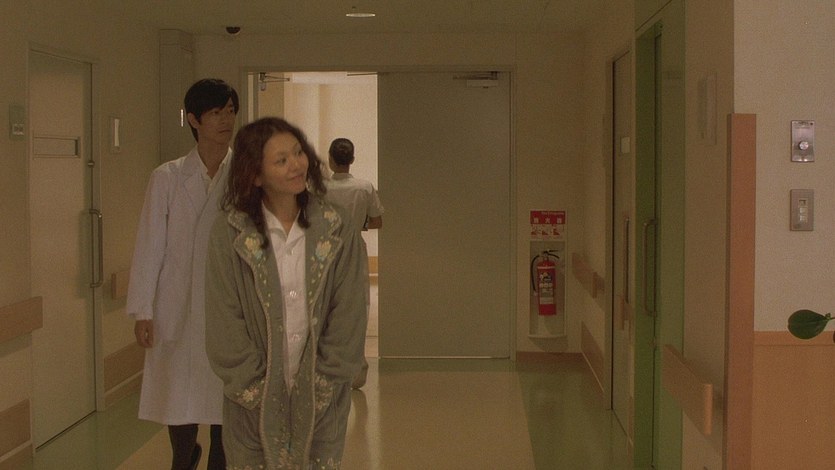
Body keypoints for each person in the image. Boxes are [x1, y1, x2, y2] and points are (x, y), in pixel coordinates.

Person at [204, 117, 368, 469]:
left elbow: (350, 311)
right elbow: (223, 318)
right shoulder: (230, 233)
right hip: (252, 403)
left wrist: (326, 381)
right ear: (255, 175)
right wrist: (254, 387)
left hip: (322, 397)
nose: (296, 165)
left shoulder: (335, 226)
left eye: (298, 152)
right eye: (281, 160)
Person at [126, 78, 238, 470]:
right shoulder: (168, 177)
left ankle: (219, 461)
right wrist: (143, 310)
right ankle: (183, 456)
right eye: (215, 113)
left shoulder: (245, 176)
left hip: (228, 303)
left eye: (230, 112)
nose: (225, 121)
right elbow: (149, 245)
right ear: (194, 119)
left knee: (227, 395)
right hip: (175, 300)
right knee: (177, 391)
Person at [324, 137, 384, 389]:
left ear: (330, 159)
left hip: (326, 251)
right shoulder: (364, 187)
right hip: (354, 250)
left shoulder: (320, 189)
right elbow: (377, 221)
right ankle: (357, 370)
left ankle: (328, 368)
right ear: (352, 159)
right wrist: (358, 223)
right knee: (357, 308)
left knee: (327, 308)